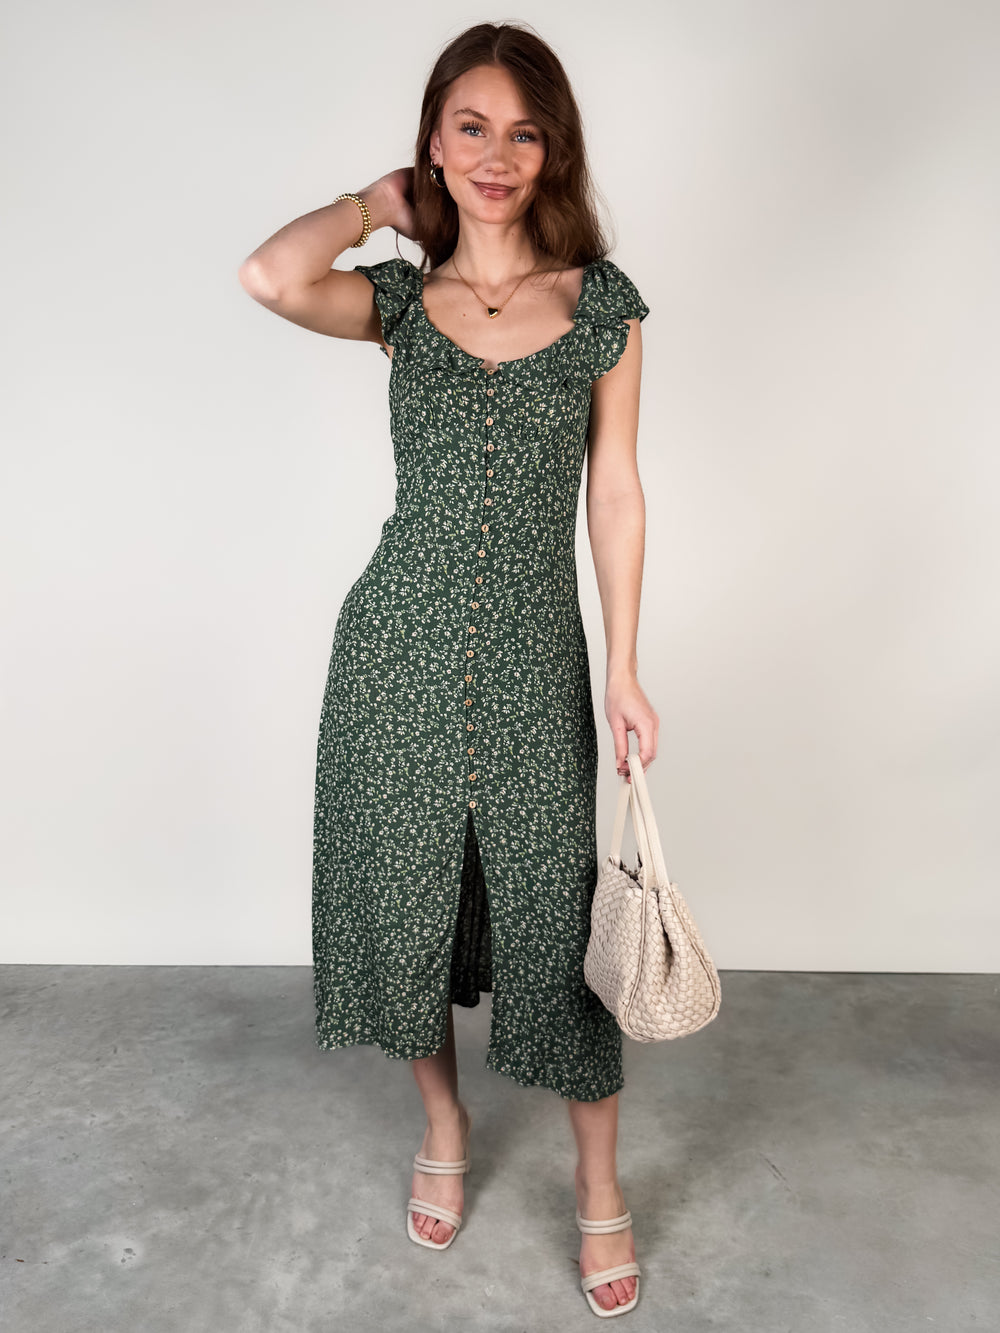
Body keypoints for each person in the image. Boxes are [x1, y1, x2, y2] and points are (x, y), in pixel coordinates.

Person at [238, 21, 657, 1319]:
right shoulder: (397, 306)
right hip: (396, 656)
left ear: (553, 151)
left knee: (554, 922)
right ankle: (443, 1123)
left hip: (536, 662)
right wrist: (376, 203)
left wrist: (625, 667)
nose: (496, 154)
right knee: (406, 907)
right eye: (470, 126)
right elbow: (268, 274)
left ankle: (601, 1187)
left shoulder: (601, 306)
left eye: (524, 132)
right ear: (434, 140)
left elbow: (617, 492)